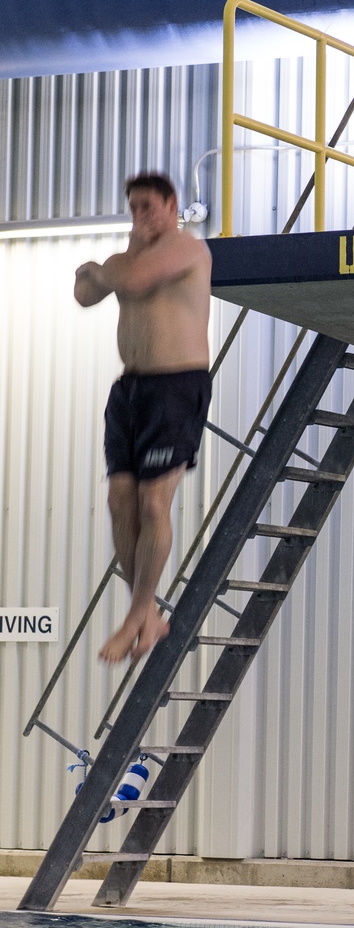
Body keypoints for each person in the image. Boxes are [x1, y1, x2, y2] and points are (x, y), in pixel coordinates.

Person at [74, 172, 212, 664]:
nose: (140, 217)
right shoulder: (132, 258)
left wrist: (98, 265)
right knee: (119, 501)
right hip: (129, 390)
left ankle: (137, 615)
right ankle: (147, 611)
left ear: (172, 205)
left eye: (148, 207)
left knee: (154, 504)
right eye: (133, 208)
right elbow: (82, 296)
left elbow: (121, 280)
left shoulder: (188, 249)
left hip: (176, 386)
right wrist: (102, 271)